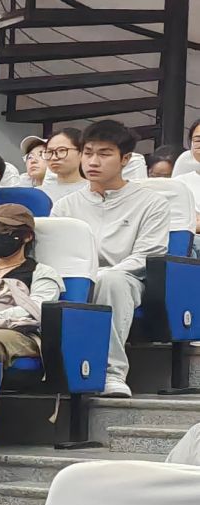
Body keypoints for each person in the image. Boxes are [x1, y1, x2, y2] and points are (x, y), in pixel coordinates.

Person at [55, 115, 177, 396]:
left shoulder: (152, 203)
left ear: (125, 159)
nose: (93, 161)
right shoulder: (65, 206)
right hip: (77, 279)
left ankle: (111, 373)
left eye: (104, 154)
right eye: (88, 153)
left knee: (112, 281)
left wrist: (100, 274)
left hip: (129, 279)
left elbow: (147, 255)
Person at [0, 202, 57, 366]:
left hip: (19, 332)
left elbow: (36, 309)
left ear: (27, 236)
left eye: (6, 231)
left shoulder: (41, 272)